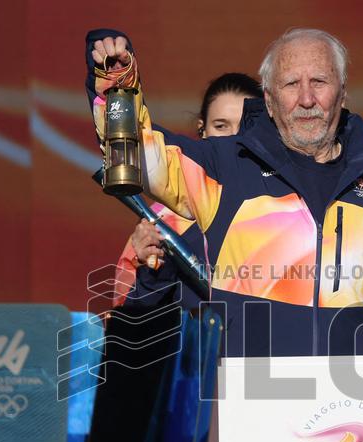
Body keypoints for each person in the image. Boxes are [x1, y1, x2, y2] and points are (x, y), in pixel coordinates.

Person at [88, 27, 363, 357]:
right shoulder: (227, 168)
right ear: (269, 101)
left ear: (343, 93)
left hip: (353, 412)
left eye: (319, 81)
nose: (306, 99)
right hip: (250, 407)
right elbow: (139, 153)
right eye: (291, 84)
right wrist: (118, 84)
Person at [112, 73, 263, 308]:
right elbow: (129, 328)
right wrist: (152, 271)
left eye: (247, 126)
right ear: (202, 130)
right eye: (221, 126)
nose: (234, 138)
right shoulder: (164, 220)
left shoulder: (291, 206)